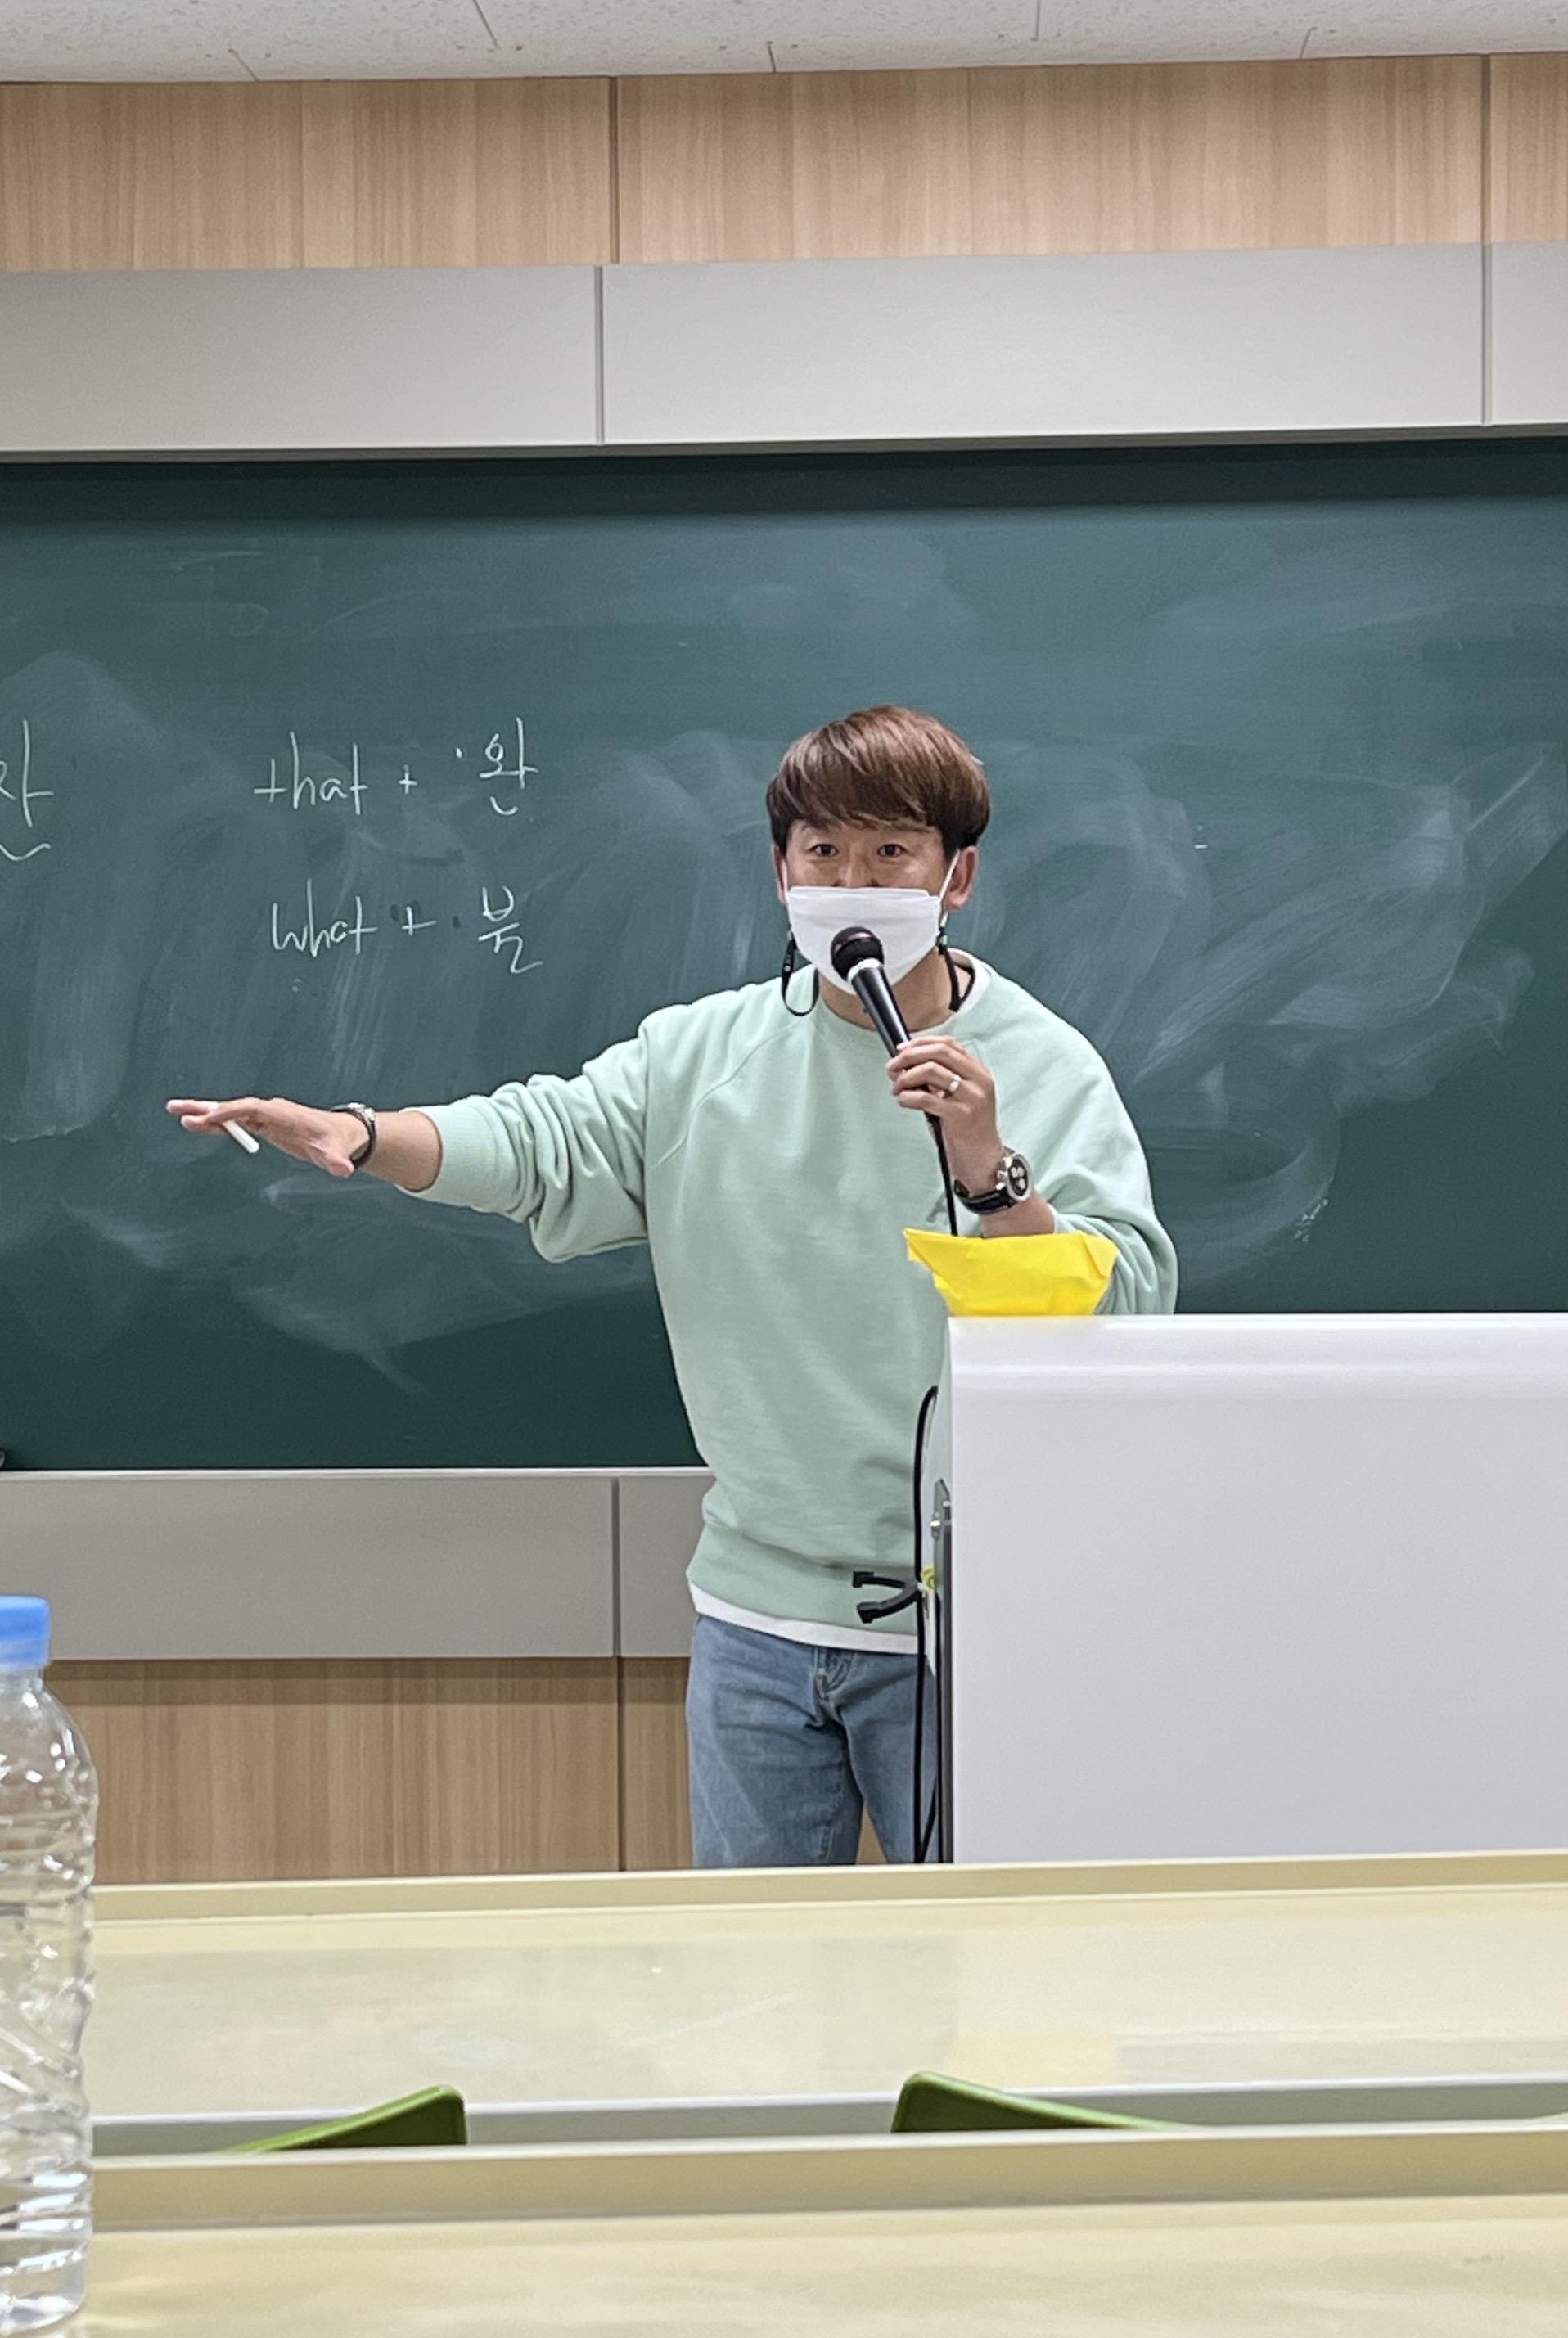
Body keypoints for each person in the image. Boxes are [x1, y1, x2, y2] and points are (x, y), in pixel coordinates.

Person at [169, 706, 1175, 1865]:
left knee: (977, 1952)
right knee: (752, 1960)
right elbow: (544, 1141)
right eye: (823, 852)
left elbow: (1127, 1312)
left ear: (957, 878)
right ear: (780, 872)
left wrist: (992, 1174)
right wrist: (361, 1132)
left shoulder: (1043, 1064)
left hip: (972, 1620)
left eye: (891, 853)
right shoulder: (704, 1056)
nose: (852, 884)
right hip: (756, 1617)